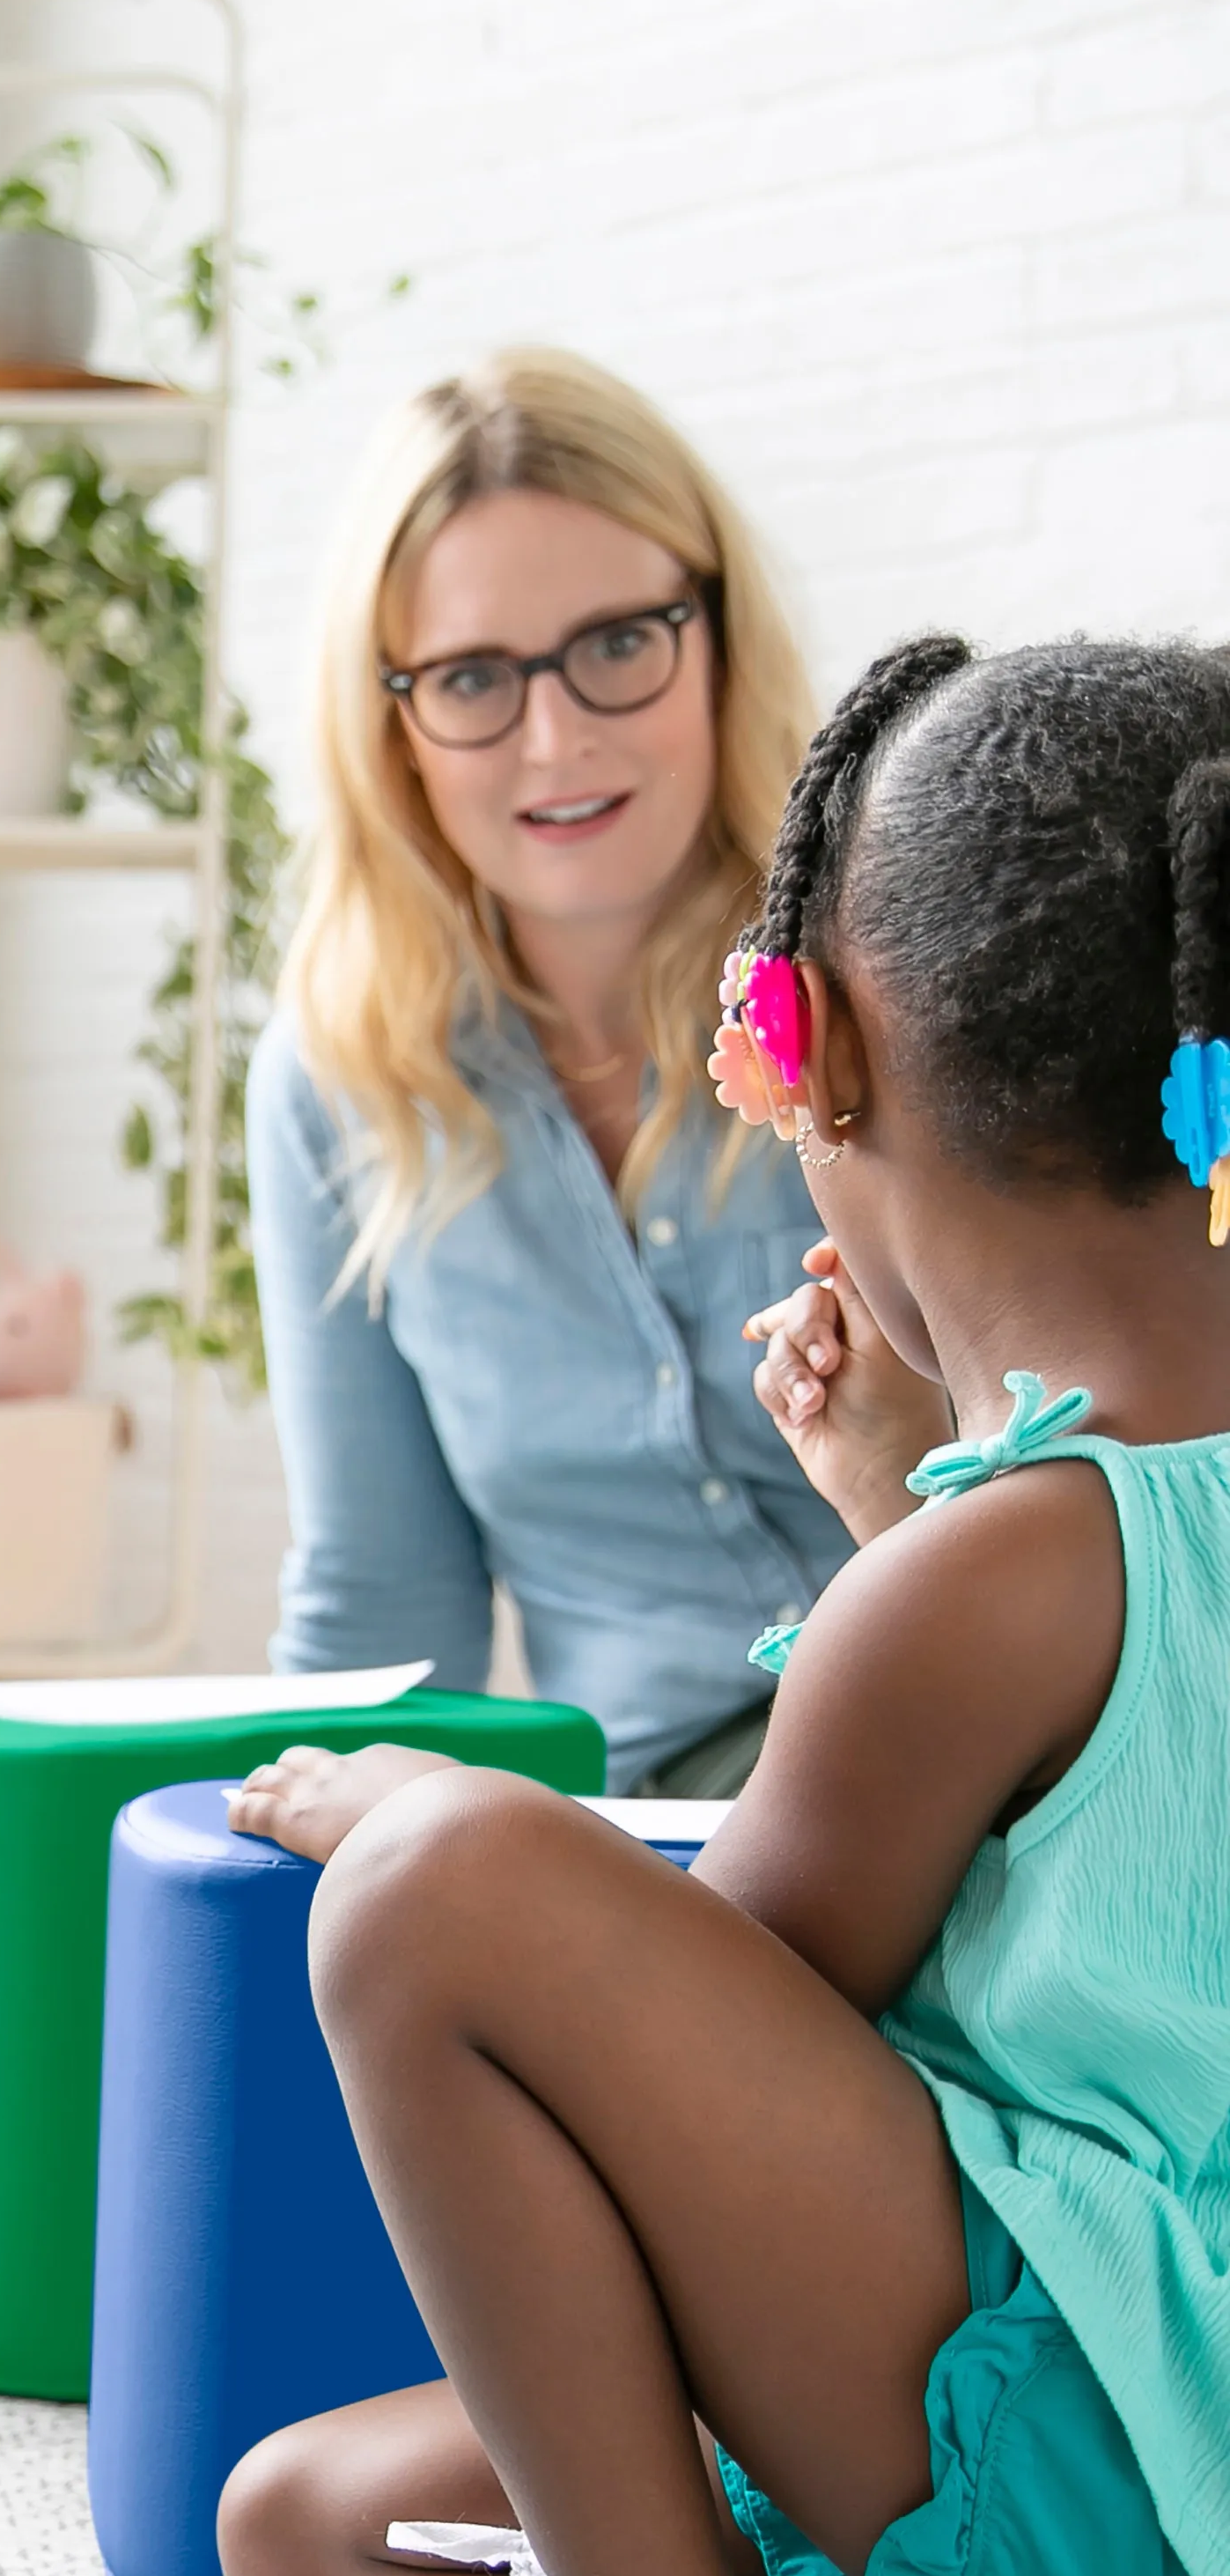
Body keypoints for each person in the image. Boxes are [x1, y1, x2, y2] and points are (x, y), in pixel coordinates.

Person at [198, 633, 1230, 2576]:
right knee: (307, 2523)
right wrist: (907, 1518)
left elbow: (724, 2026)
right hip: (1145, 2436)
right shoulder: (1024, 1563)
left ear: (814, 1058)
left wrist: (420, 1820)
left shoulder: (992, 1579)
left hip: (1096, 2475)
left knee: (436, 1891)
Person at [254, 350, 845, 1796]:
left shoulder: (892, 967)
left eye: (617, 645)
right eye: (470, 678)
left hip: (1006, 1767)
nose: (557, 736)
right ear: (389, 721)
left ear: (712, 635)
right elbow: (381, 1608)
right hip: (652, 1839)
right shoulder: (337, 1079)